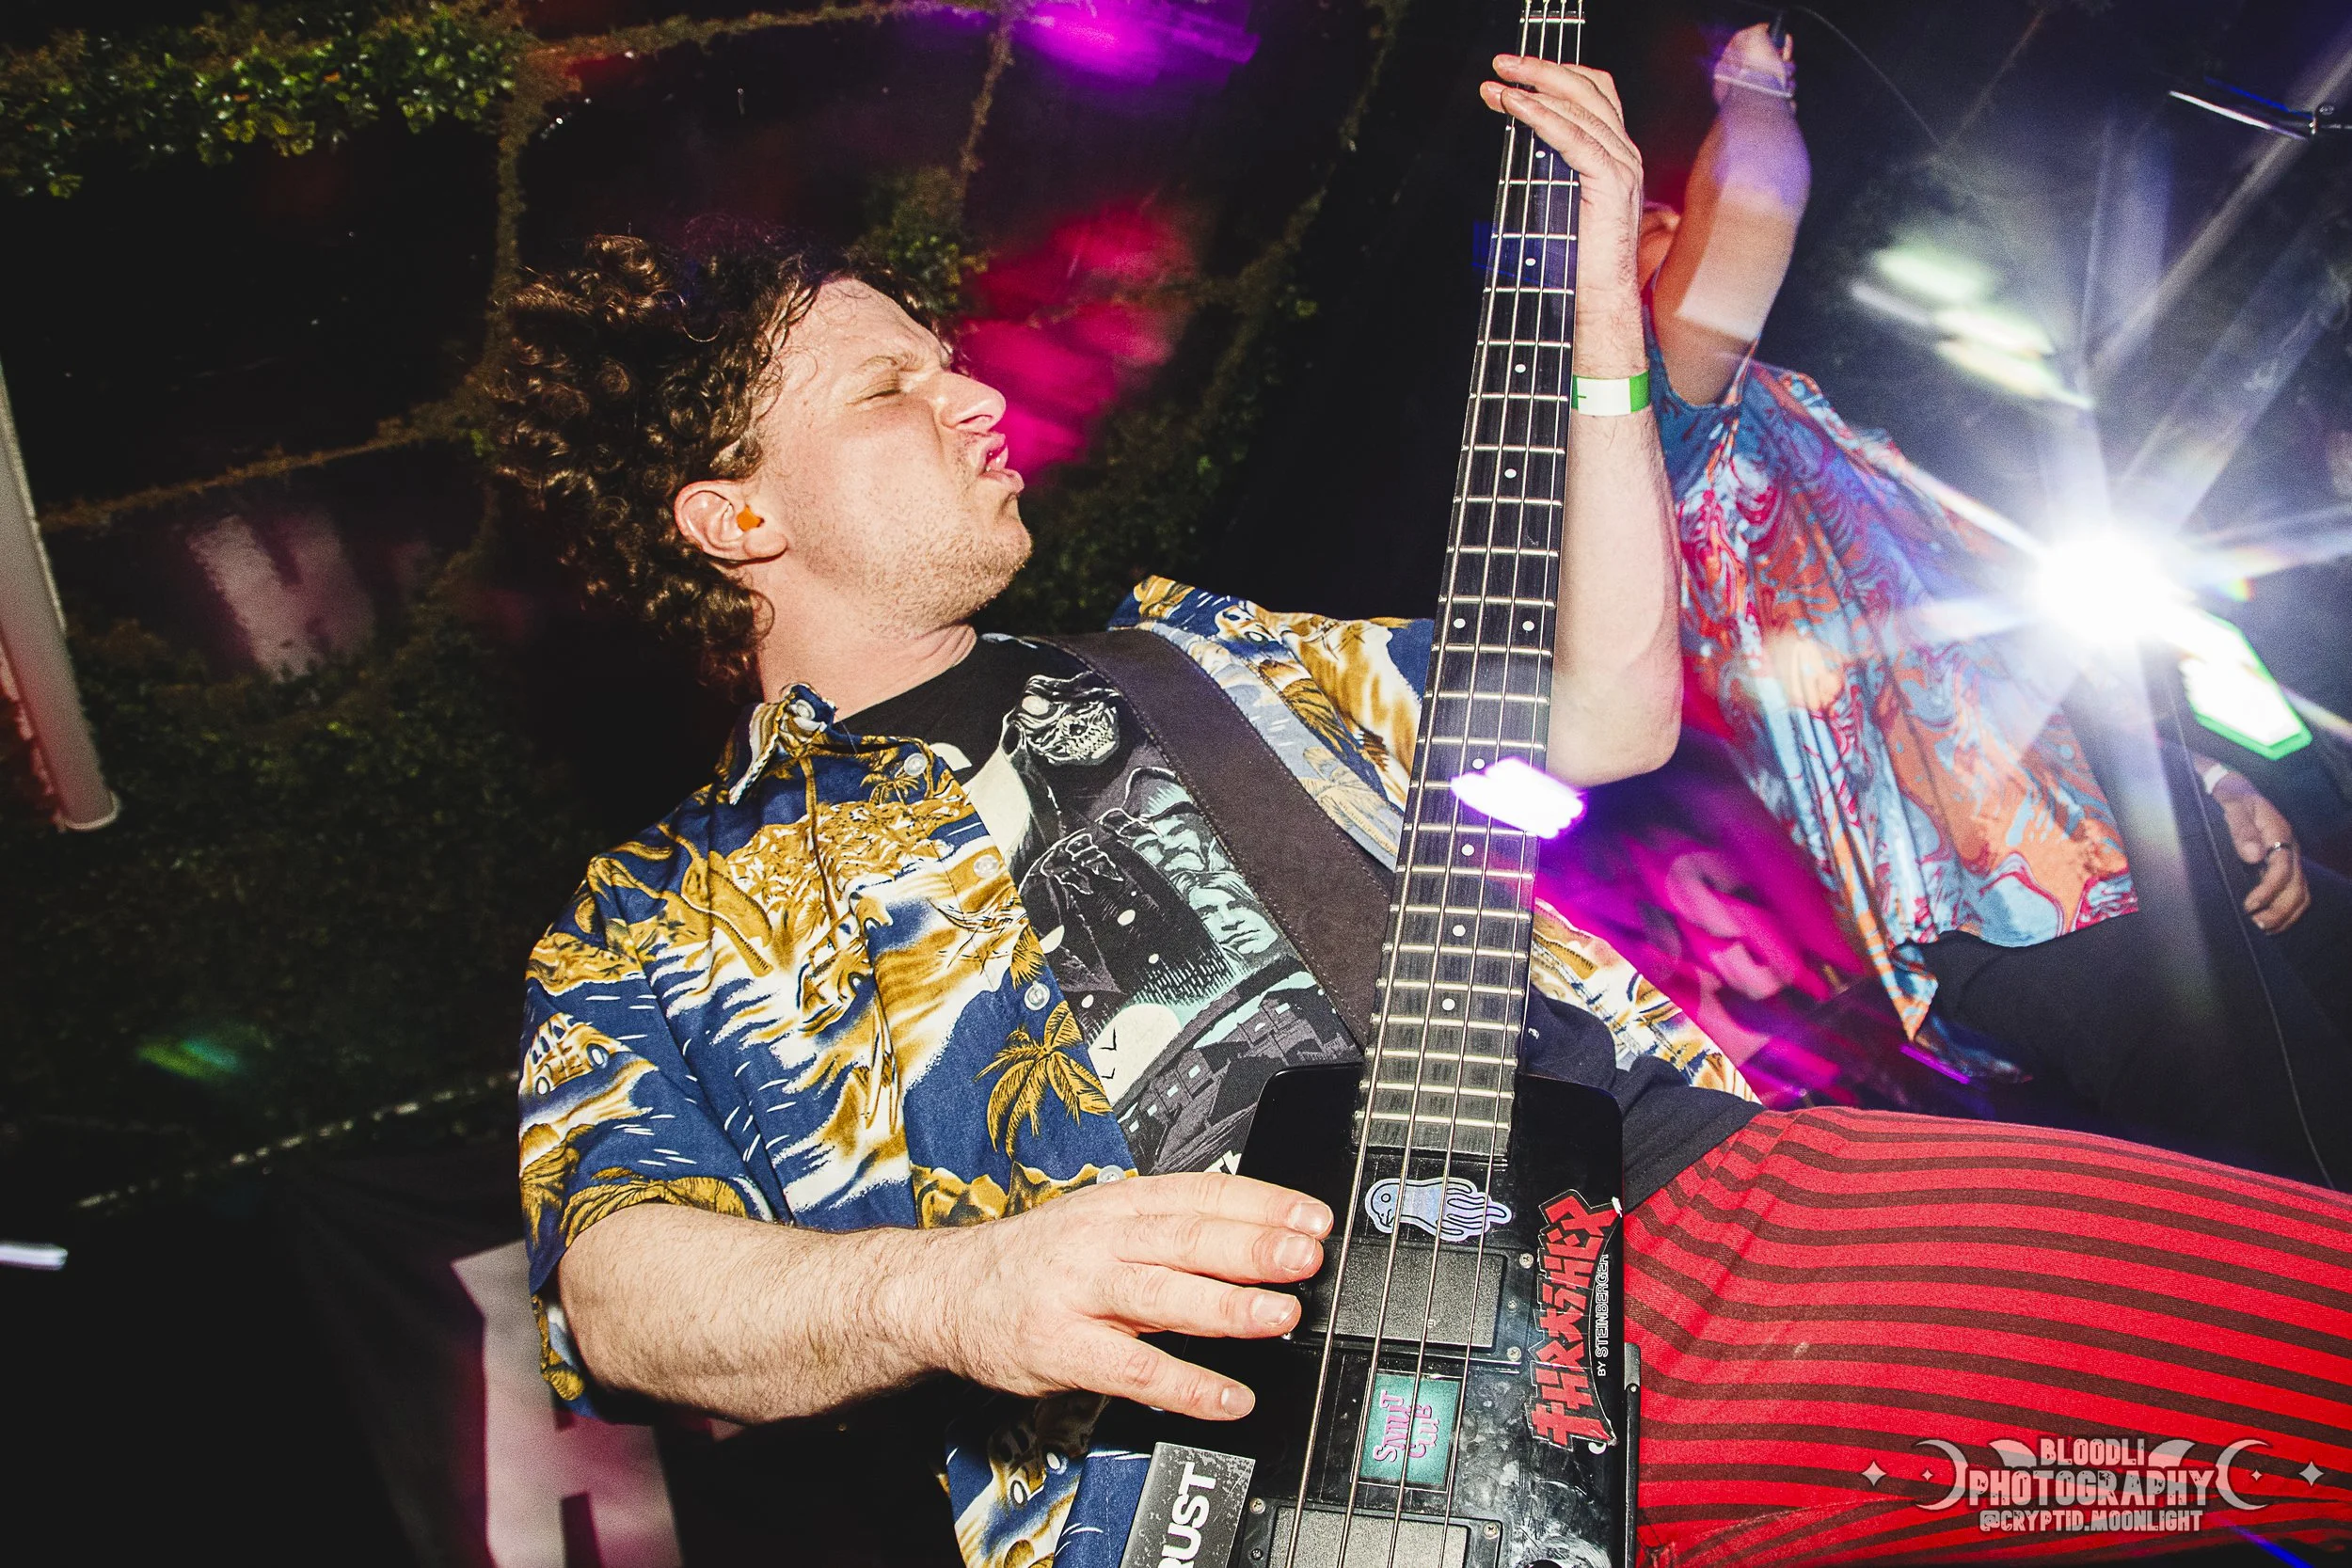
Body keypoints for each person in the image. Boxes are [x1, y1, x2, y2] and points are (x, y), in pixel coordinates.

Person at [495, 55, 2352, 1568]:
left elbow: (1605, 705)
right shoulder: (661, 907)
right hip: (1216, 1494)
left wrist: (1605, 320)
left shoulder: (1204, 651)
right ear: (735, 514)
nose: (974, 392)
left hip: (1660, 1237)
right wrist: (959, 1289)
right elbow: (626, 1290)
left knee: (2297, 1372)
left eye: (947, 354)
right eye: (891, 386)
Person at [1641, 23, 2352, 1184]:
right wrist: (1750, 83)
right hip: (2010, 900)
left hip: (2124, 814)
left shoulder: (1799, 420)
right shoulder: (1658, 447)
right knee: (2310, 1172)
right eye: (1644, 225)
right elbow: (1749, 216)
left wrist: (2207, 777)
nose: (1673, 222)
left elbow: (2002, 665)